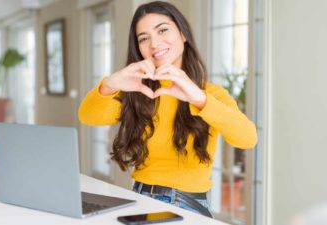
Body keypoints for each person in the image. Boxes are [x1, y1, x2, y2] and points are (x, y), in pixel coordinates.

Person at [78, 1, 257, 217]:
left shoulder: (210, 95)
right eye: (144, 38)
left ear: (183, 34)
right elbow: (88, 116)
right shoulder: (138, 91)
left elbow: (247, 138)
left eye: (162, 30)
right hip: (139, 197)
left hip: (186, 204)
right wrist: (110, 84)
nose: (154, 43)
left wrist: (199, 98)